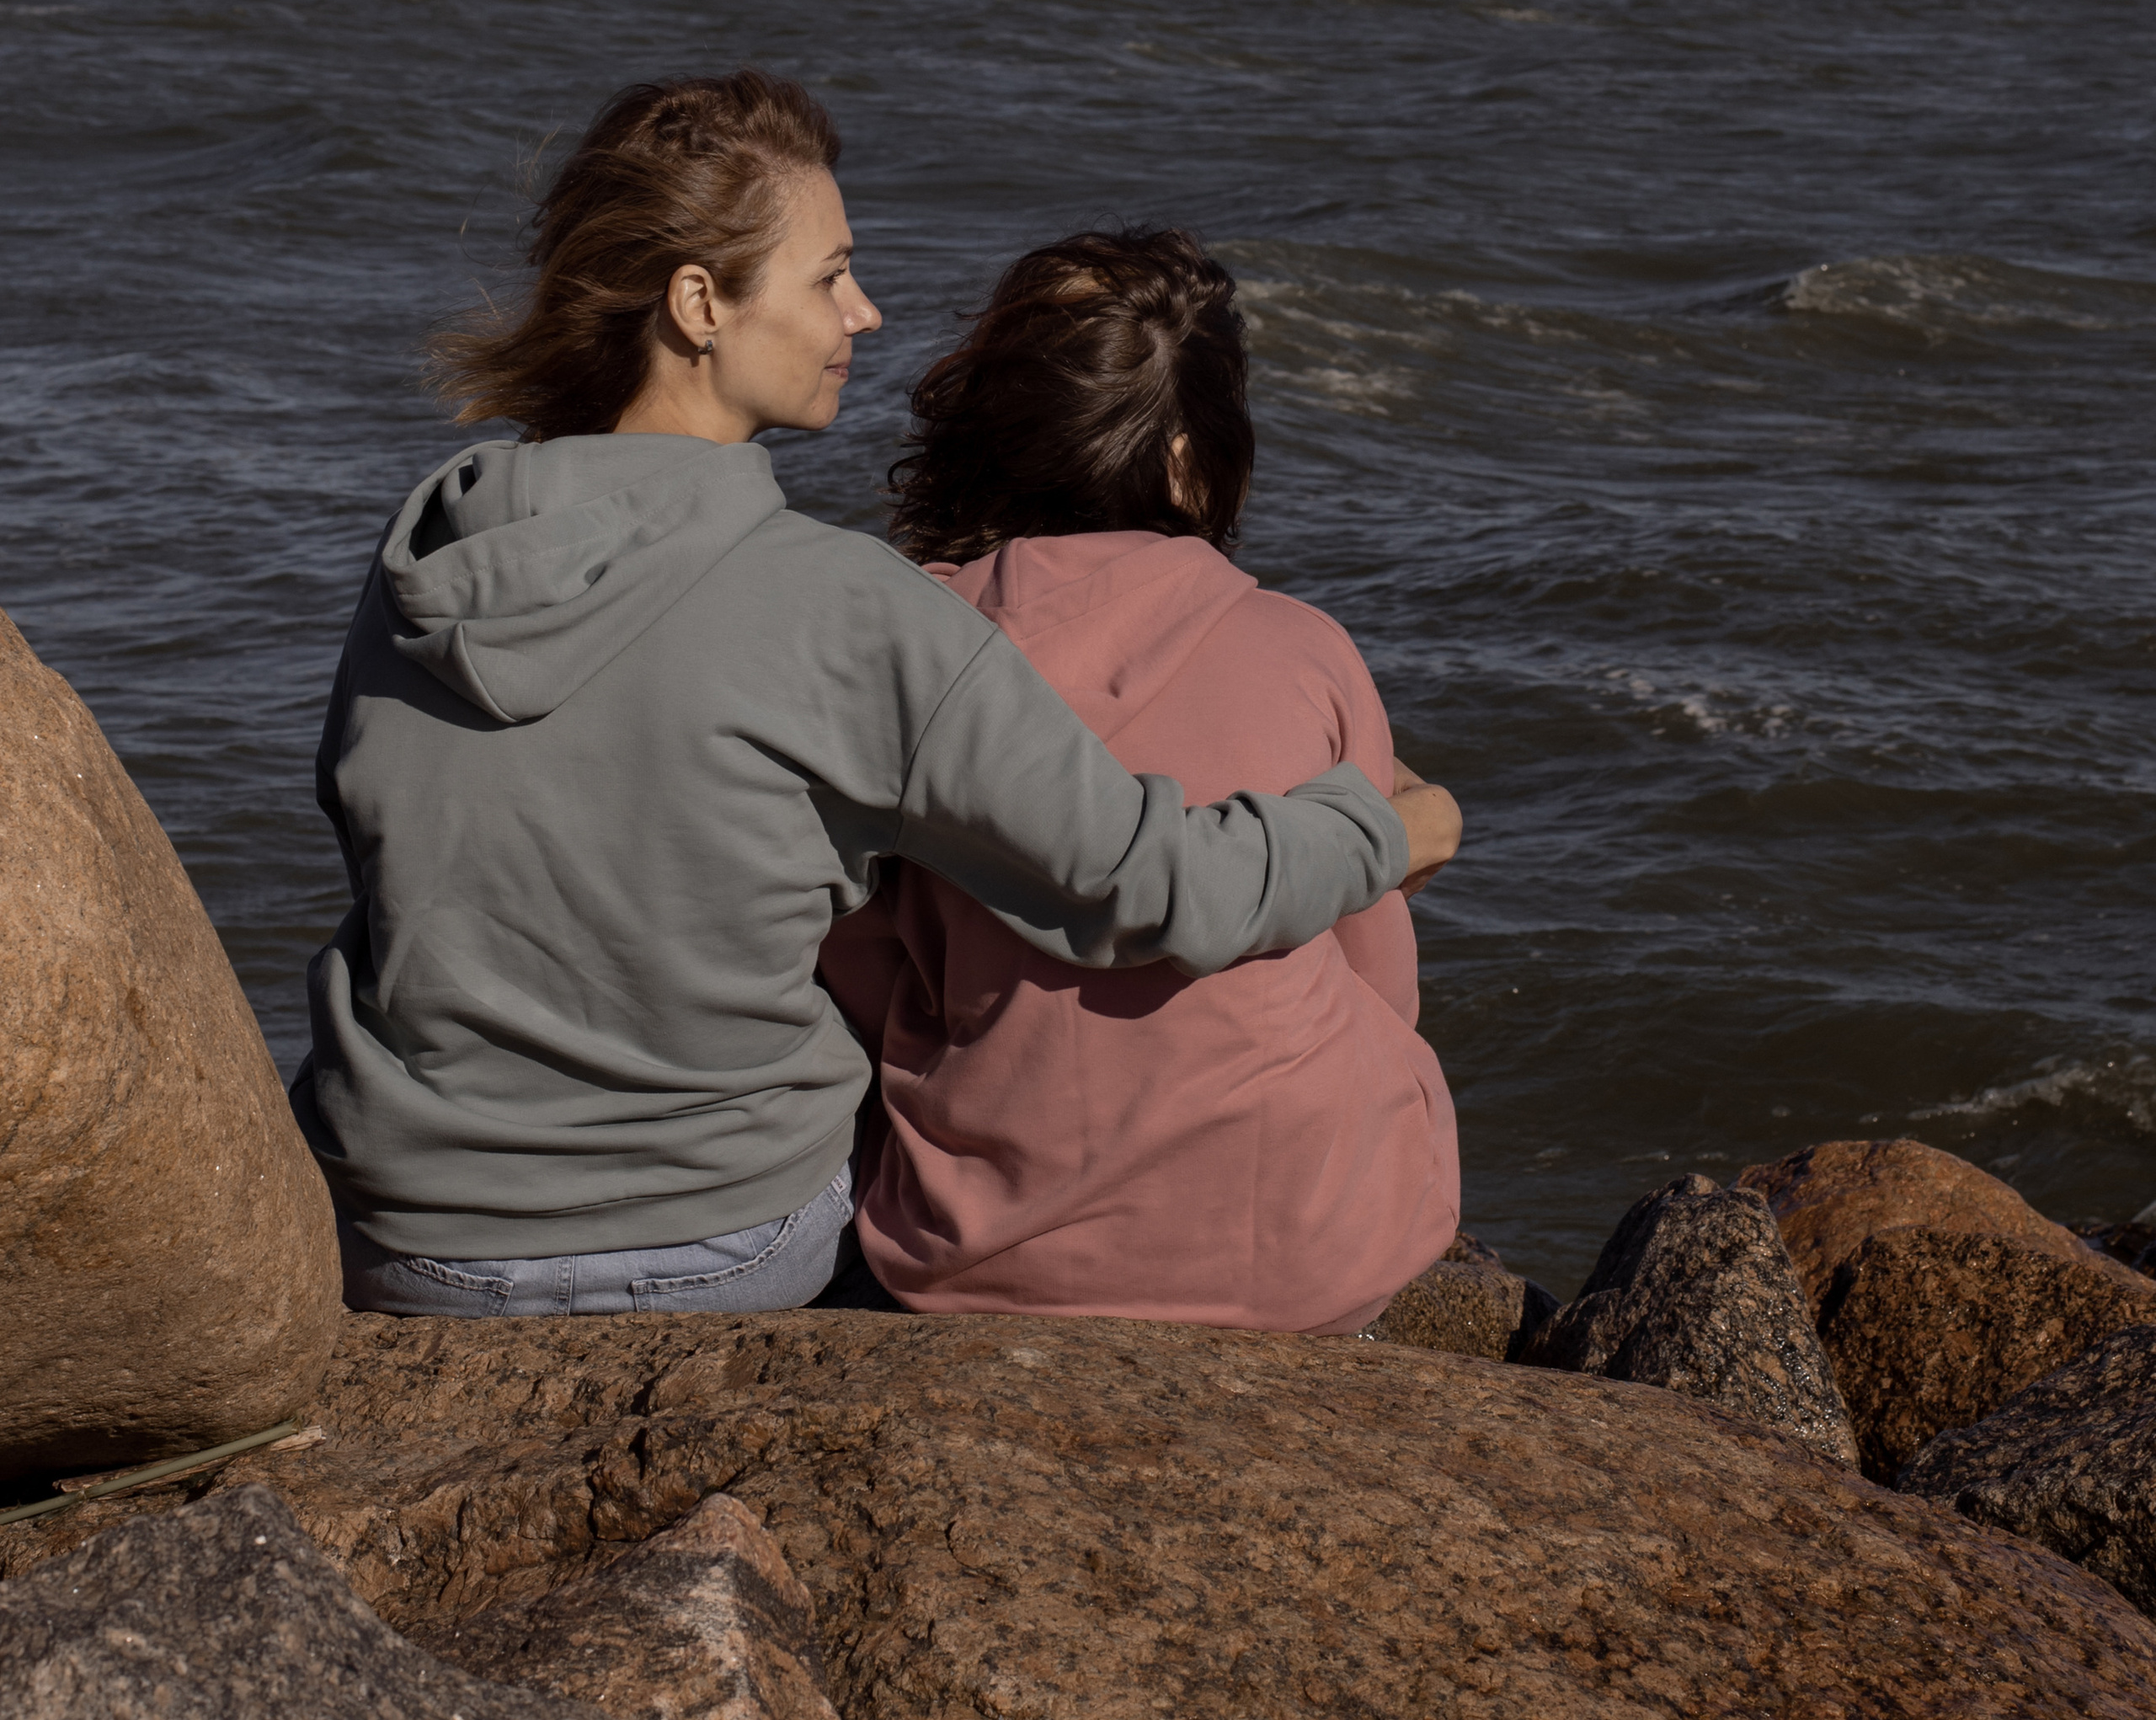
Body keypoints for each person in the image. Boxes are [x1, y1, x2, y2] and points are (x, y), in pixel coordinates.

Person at [294, 75, 1461, 1318]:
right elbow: (1152, 883)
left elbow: (376, 842)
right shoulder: (844, 602)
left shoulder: (434, 553)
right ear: (699, 304)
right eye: (830, 276)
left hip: (403, 1235)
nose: (865, 310)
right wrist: (1386, 829)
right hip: (713, 1244)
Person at [818, 229, 1461, 1333]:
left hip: (985, 1259)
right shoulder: (1303, 647)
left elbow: (859, 967)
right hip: (1313, 1253)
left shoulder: (906, 644)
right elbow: (1377, 974)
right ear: (1185, 459)